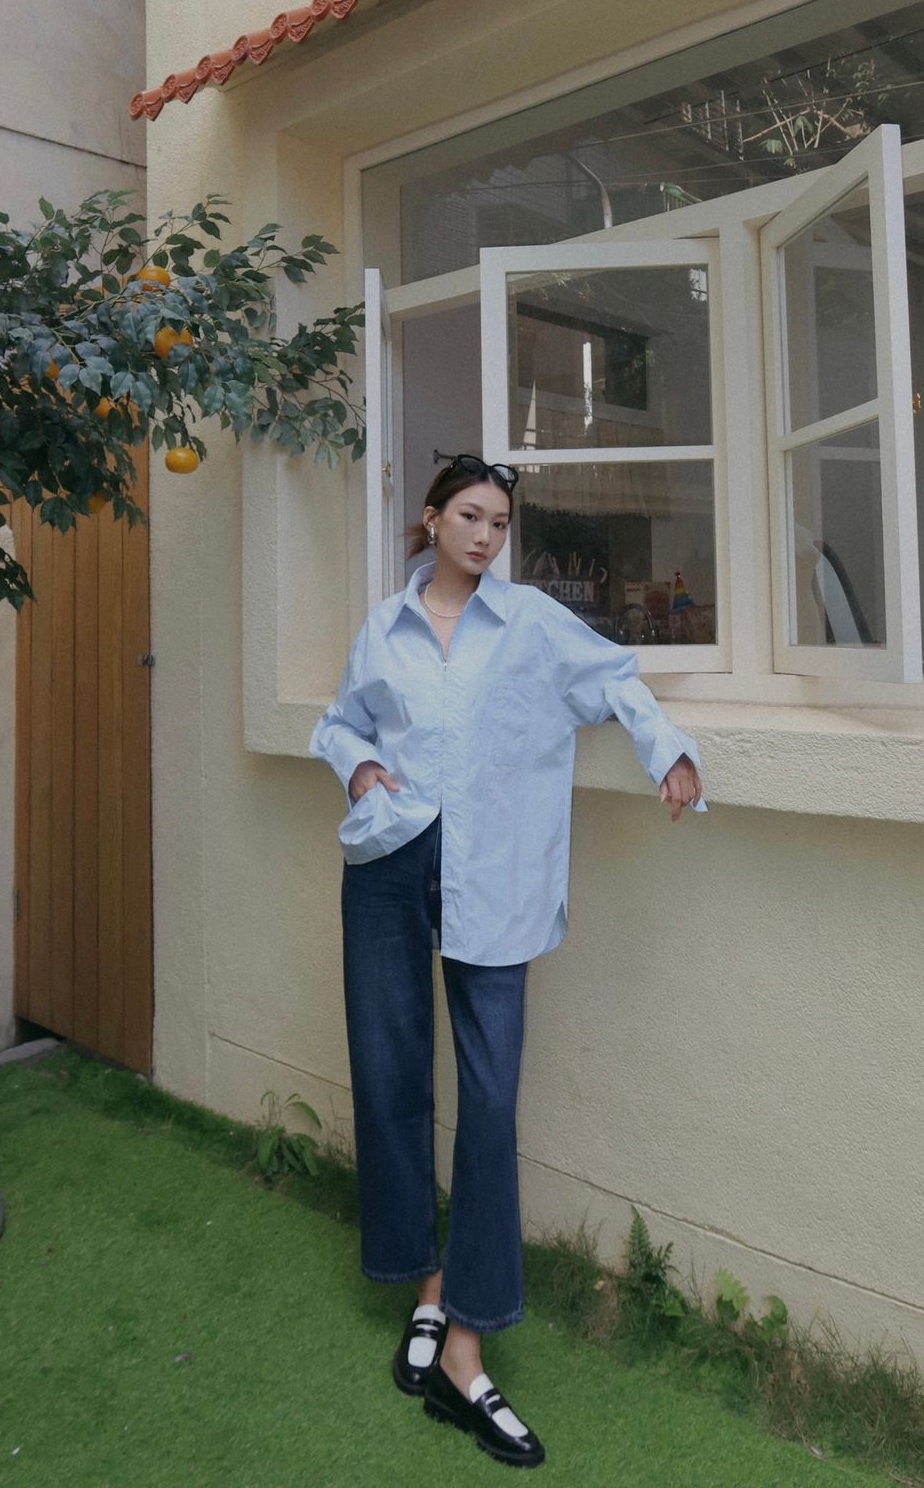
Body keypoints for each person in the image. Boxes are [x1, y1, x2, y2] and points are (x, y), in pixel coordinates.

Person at [308, 453, 705, 1469]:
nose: (486, 536)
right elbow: (340, 719)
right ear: (432, 519)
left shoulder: (530, 621)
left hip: (494, 871)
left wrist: (667, 749)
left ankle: (467, 1345)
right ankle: (426, 1286)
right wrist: (357, 764)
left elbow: (613, 677)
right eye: (471, 517)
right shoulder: (384, 629)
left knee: (488, 1100)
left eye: (500, 523)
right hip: (391, 860)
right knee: (392, 1075)